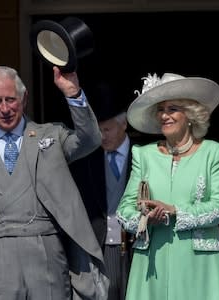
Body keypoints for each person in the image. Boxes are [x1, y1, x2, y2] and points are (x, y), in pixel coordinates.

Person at [0, 65, 109, 300]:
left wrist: (73, 95)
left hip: (47, 253)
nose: (5, 109)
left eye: (11, 99)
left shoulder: (50, 136)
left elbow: (90, 140)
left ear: (24, 99)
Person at [116, 73, 219, 300]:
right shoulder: (144, 155)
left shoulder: (215, 152)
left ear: (190, 114)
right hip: (153, 263)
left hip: (200, 263)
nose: (164, 115)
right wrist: (145, 220)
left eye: (172, 109)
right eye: (160, 110)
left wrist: (175, 211)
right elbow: (123, 212)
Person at [69, 82, 133, 300]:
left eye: (107, 129)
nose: (102, 136)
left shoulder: (145, 155)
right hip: (100, 246)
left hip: (139, 246)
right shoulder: (86, 160)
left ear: (123, 124)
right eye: (98, 129)